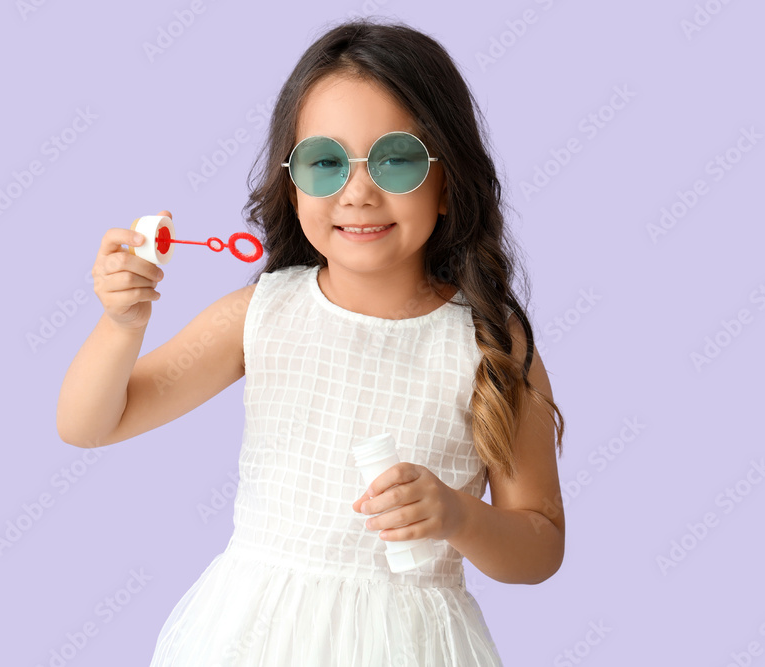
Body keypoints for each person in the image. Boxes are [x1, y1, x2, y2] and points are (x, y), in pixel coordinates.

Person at [57, 17, 566, 666]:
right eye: (326, 162)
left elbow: (540, 544)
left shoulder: (490, 344)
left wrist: (459, 516)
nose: (358, 190)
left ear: (449, 182)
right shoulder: (261, 314)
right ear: (292, 182)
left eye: (397, 159)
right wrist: (121, 325)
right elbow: (89, 423)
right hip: (250, 638)